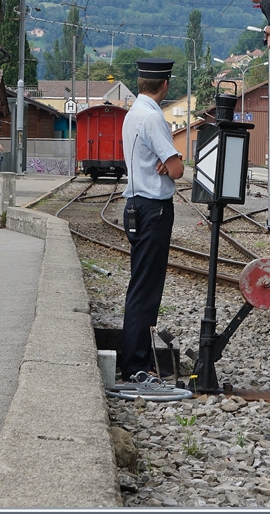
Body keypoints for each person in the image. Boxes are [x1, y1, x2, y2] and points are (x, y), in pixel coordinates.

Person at [120, 57, 185, 382]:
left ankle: (134, 360)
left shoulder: (133, 114)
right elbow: (176, 169)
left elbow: (164, 160)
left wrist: (167, 159)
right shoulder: (153, 118)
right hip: (154, 209)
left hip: (135, 204)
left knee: (139, 285)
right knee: (146, 290)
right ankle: (135, 366)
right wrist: (173, 161)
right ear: (165, 85)